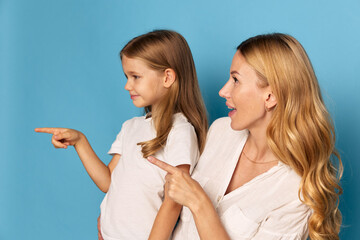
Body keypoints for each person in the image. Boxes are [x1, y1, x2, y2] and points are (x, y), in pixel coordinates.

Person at [148, 33, 343, 240]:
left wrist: (199, 203)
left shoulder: (296, 193)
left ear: (271, 96)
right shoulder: (220, 131)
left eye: (236, 80)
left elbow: (196, 203)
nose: (223, 91)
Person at [35, 30, 208, 240]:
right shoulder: (130, 127)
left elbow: (174, 201)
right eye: (127, 77)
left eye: (136, 77)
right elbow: (108, 182)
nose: (127, 85)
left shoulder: (180, 130)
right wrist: (80, 141)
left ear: (167, 77)